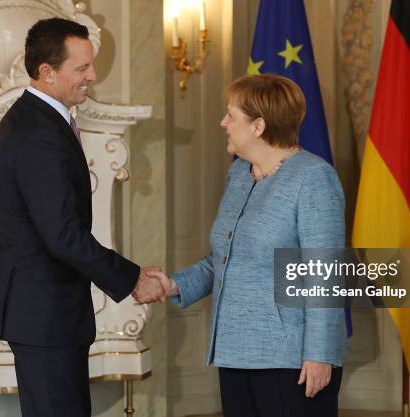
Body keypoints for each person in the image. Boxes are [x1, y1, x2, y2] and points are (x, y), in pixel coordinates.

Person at [143, 74, 347, 417]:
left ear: (258, 126)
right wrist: (175, 284)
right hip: (235, 351)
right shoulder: (239, 174)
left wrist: (320, 354)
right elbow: (226, 259)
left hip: (292, 359)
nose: (223, 123)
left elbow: (324, 274)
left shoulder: (313, 178)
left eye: (231, 116)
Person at [0, 18, 162, 417]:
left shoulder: (39, 120)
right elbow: (63, 235)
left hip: (46, 313)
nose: (93, 76)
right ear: (47, 72)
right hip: (45, 316)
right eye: (82, 68)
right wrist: (132, 278)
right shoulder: (38, 133)